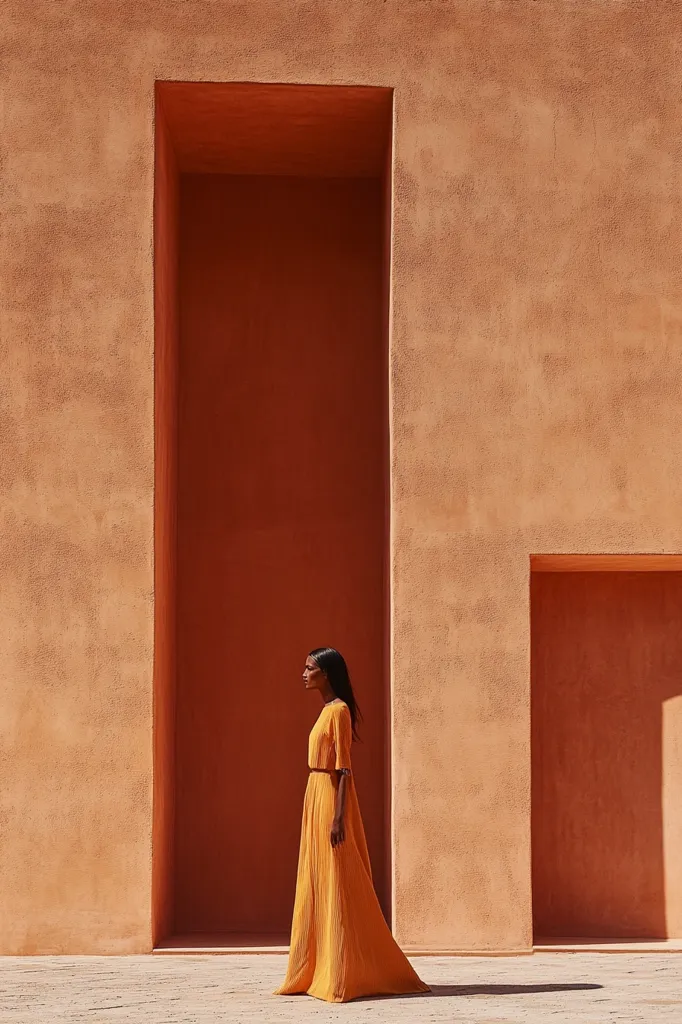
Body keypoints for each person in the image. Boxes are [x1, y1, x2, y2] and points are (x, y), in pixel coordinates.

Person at [275, 646, 430, 1003]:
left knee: (337, 880)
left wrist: (338, 816)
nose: (303, 672)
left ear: (326, 673)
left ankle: (342, 971)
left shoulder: (339, 712)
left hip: (330, 795)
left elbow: (344, 768)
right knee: (315, 879)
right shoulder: (325, 711)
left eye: (309, 667)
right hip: (315, 793)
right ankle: (313, 968)